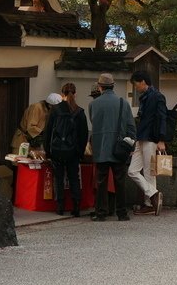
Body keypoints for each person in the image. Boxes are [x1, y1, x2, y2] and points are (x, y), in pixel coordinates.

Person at [87, 73, 135, 222]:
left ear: (100, 87)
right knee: (120, 180)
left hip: (101, 147)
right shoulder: (123, 103)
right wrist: (131, 144)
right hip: (119, 147)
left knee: (101, 181)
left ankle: (101, 213)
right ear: (113, 86)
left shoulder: (93, 104)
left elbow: (94, 123)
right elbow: (131, 126)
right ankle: (122, 213)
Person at [43, 82, 89, 216]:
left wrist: (48, 151)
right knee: (74, 177)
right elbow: (83, 135)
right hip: (73, 151)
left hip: (57, 150)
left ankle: (60, 206)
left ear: (62, 94)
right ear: (75, 94)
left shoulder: (55, 110)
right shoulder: (79, 112)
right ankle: (76, 207)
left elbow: (48, 132)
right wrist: (80, 152)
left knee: (58, 178)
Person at [129, 70, 167, 216]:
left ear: (143, 82)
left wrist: (161, 139)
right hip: (142, 137)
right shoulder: (145, 96)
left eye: (136, 84)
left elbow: (162, 118)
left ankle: (149, 203)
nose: (135, 87)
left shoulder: (157, 97)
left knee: (149, 172)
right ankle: (154, 195)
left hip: (151, 138)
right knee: (133, 171)